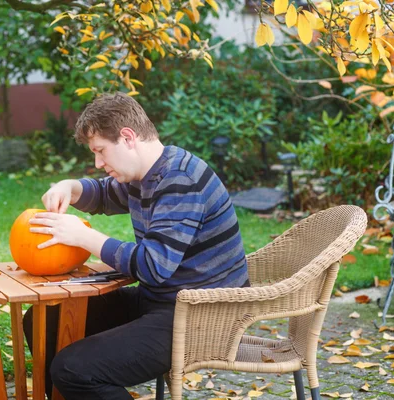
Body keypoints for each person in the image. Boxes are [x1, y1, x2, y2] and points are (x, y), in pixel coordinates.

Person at [23, 92, 250, 400]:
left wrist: (85, 238)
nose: (98, 162)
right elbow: (105, 194)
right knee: (43, 321)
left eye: (101, 151)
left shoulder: (179, 180)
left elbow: (153, 267)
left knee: (74, 369)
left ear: (127, 137)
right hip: (164, 303)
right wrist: (70, 187)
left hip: (202, 318)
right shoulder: (148, 176)